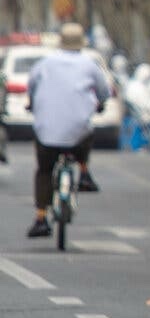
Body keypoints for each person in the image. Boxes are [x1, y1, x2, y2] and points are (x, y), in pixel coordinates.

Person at [25, 24, 110, 238]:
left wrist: (33, 104)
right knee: (86, 132)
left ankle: (41, 218)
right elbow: (104, 92)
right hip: (78, 134)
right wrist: (100, 104)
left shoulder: (44, 64)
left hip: (46, 134)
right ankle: (84, 173)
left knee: (44, 170)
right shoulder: (89, 65)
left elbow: (32, 88)